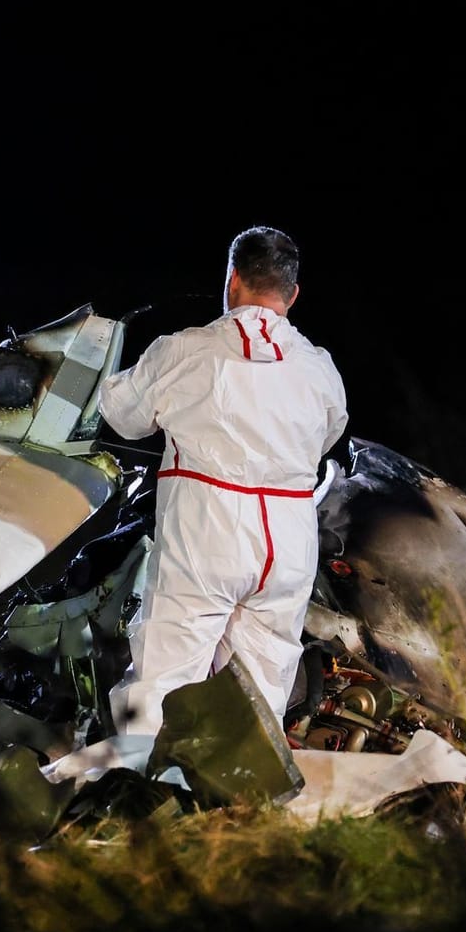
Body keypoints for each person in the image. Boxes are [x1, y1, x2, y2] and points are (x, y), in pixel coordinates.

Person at [98, 226, 348, 736]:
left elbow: (123, 415)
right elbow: (329, 434)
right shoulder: (320, 368)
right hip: (288, 541)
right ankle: (246, 803)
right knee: (260, 697)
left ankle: (136, 795)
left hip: (206, 531)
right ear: (292, 295)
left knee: (160, 684)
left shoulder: (186, 351)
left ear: (231, 280)